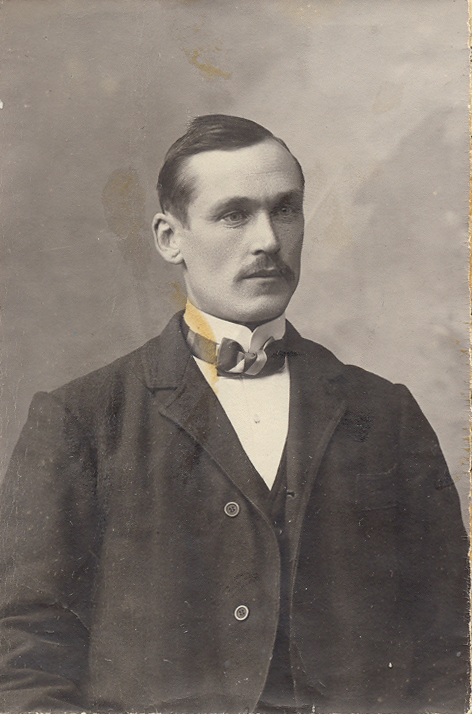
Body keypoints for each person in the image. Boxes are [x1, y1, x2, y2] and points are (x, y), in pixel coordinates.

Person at [0, 115, 469, 714]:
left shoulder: (385, 414)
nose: (268, 239)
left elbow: (450, 646)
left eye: (286, 210)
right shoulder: (82, 421)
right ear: (170, 238)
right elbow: (24, 656)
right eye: (233, 215)